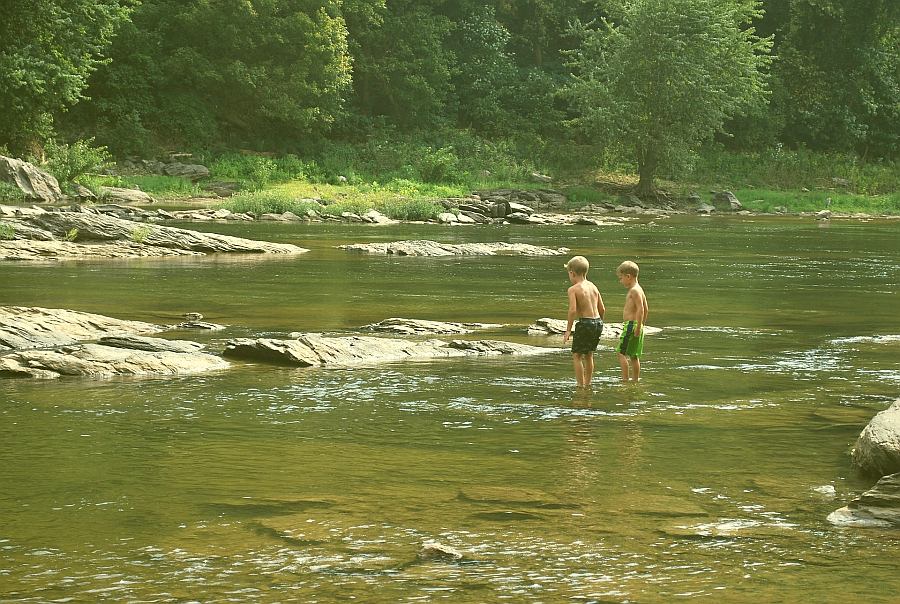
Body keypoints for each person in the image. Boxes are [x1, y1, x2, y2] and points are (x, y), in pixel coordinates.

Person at [563, 256, 605, 387]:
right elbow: (602, 308)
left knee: (577, 356)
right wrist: (599, 323)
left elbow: (572, 310)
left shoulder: (573, 289)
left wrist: (568, 329)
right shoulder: (593, 286)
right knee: (589, 355)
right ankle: (588, 383)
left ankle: (580, 385)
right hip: (597, 322)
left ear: (572, 273)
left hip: (585, 323)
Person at [615, 260, 649, 383]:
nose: (620, 281)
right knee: (634, 355)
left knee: (620, 353)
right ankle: (635, 381)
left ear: (628, 276)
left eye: (621, 278)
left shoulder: (634, 290)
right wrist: (642, 325)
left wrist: (638, 326)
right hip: (637, 325)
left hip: (631, 325)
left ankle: (625, 380)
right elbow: (646, 308)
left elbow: (641, 309)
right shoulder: (640, 289)